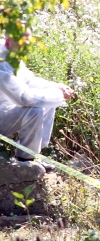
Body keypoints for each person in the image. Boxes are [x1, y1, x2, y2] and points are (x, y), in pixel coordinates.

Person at [0, 30, 74, 172]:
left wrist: (56, 87)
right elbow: (23, 98)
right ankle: (25, 161)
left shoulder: (11, 52)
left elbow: (29, 80)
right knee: (35, 109)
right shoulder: (2, 63)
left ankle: (34, 154)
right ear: (8, 42)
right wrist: (59, 95)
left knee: (46, 101)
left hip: (5, 106)